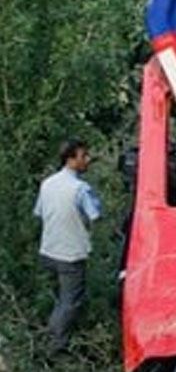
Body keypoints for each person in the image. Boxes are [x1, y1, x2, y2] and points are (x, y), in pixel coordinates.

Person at [34, 139, 101, 355]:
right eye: (83, 156)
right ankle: (53, 349)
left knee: (58, 300)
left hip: (48, 250)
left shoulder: (47, 183)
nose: (87, 160)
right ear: (71, 160)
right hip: (70, 254)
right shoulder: (80, 189)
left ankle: (48, 339)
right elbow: (95, 215)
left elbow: (39, 213)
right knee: (69, 303)